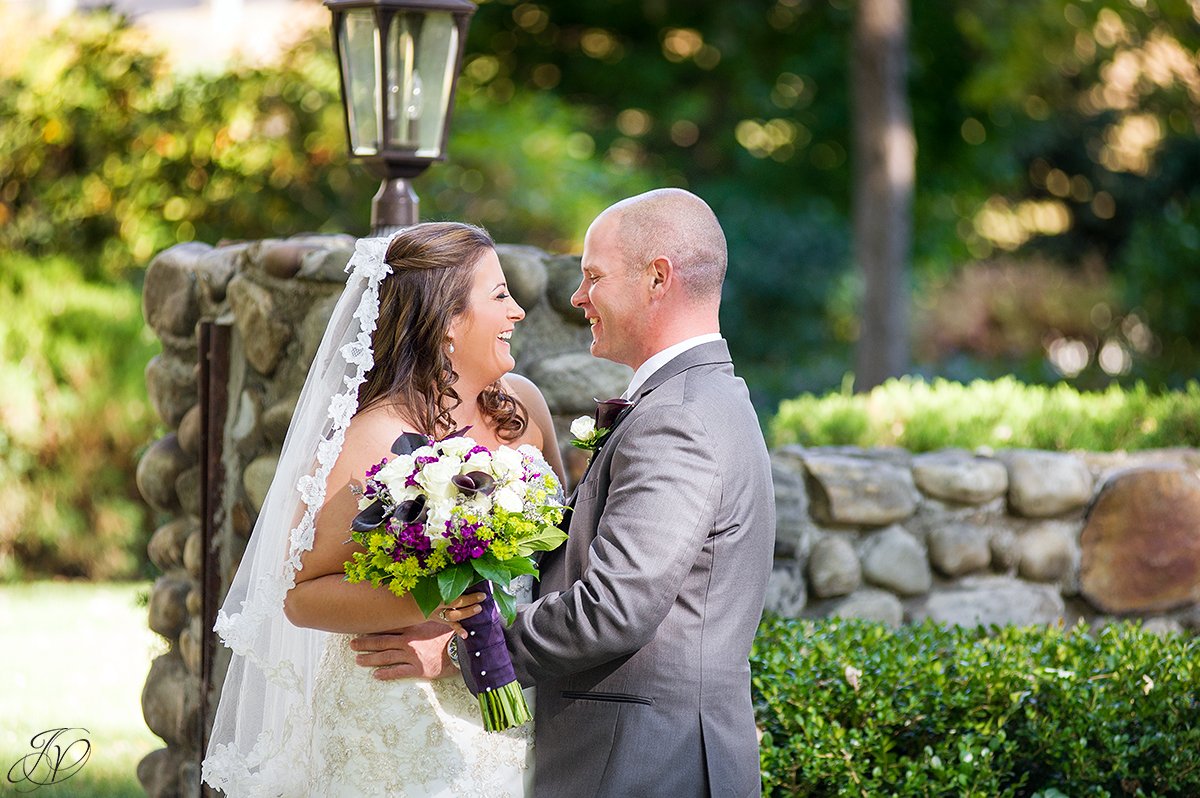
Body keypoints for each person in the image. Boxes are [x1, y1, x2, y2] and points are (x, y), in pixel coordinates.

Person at [358, 189, 776, 797]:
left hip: (644, 762)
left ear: (658, 279)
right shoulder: (703, 398)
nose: (578, 297)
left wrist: (463, 655)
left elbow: (612, 608)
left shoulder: (678, 418)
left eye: (593, 276)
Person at [201, 222, 565, 797]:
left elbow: (558, 557)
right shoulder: (371, 438)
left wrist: (482, 646)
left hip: (522, 700)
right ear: (447, 320)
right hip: (406, 722)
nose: (518, 311)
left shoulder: (523, 406)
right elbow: (300, 595)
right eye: (499, 295)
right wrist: (439, 605)